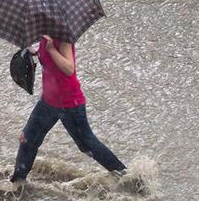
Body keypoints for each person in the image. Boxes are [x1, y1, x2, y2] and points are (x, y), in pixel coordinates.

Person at [10, 35, 126, 184]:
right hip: (49, 101)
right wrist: (34, 51)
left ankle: (125, 177)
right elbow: (46, 57)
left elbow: (69, 68)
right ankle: (17, 183)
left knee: (86, 145)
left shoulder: (62, 36)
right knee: (27, 139)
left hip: (69, 103)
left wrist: (51, 50)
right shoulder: (45, 36)